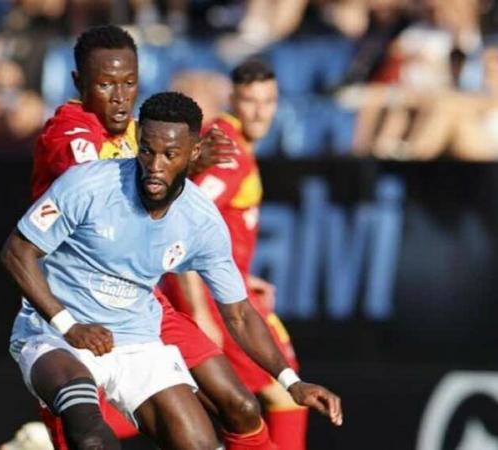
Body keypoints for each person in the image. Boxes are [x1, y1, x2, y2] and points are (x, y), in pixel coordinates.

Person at [27, 25, 342, 449]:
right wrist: (203, 308)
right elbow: (102, 193)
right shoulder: (74, 134)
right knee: (92, 433)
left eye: (129, 83)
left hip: (145, 301)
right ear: (80, 83)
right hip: (78, 299)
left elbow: (175, 213)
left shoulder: (145, 137)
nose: (120, 96)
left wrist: (235, 277)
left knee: (241, 407)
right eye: (105, 84)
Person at [162, 60, 308, 450]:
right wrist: (200, 313)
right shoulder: (230, 152)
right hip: (214, 296)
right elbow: (184, 228)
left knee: (219, 402)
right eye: (250, 100)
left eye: (269, 100)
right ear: (233, 99)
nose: (260, 111)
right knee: (283, 393)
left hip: (226, 285)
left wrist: (244, 273)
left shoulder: (228, 141)